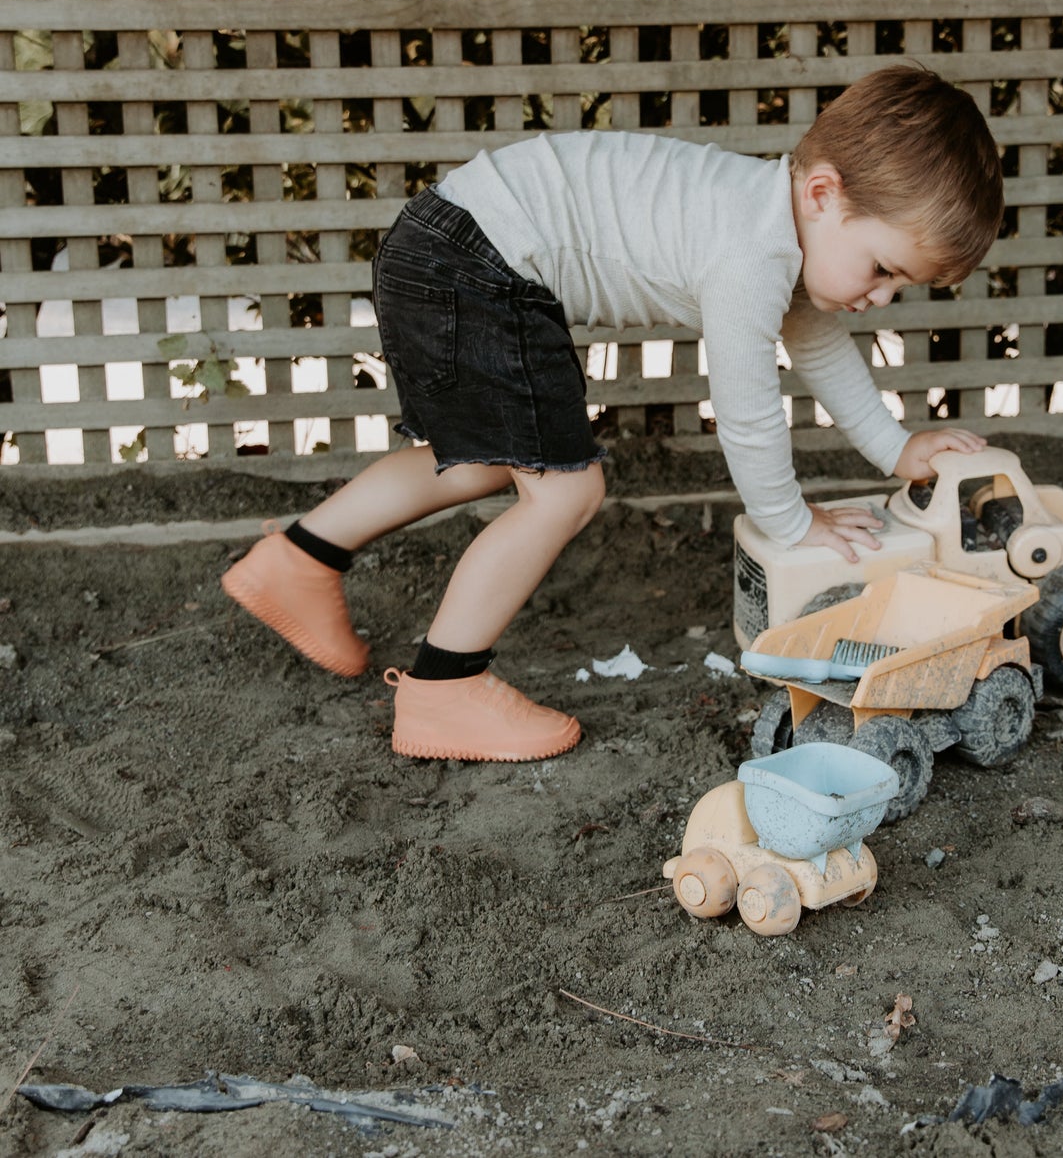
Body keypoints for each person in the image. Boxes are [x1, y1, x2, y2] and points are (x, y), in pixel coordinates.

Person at [221, 64, 1004, 764]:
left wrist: (894, 448)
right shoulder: (751, 250)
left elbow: (818, 343)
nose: (880, 296)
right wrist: (790, 524)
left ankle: (301, 557)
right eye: (882, 268)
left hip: (446, 244)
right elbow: (746, 410)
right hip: (477, 261)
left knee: (492, 460)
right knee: (566, 489)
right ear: (823, 193)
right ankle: (443, 687)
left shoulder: (773, 223)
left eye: (897, 285)